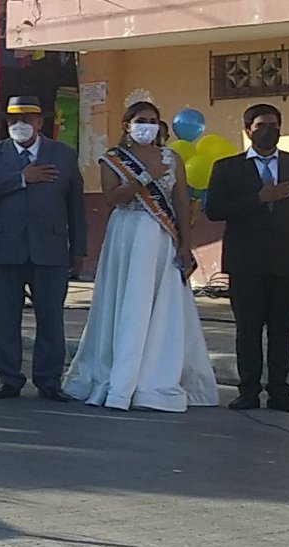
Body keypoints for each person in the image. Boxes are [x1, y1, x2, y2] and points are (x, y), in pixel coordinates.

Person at [65, 102, 218, 412]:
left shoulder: (171, 158)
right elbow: (112, 198)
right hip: (128, 233)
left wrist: (185, 245)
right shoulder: (113, 159)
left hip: (162, 237)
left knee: (160, 303)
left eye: (152, 120)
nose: (147, 126)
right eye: (140, 120)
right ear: (127, 125)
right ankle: (119, 378)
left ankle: (153, 374)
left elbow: (181, 203)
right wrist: (145, 178)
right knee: (129, 300)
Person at [204, 103, 289, 414]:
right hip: (246, 264)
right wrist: (259, 198)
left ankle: (280, 393)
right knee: (248, 331)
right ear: (248, 130)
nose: (268, 131)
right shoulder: (228, 168)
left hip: (288, 262)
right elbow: (214, 209)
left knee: (282, 331)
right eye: (261, 125)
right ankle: (248, 392)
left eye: (274, 125)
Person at [0, 95, 88, 401]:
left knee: (50, 318)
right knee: (5, 318)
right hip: (6, 248)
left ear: (39, 122)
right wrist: (20, 178)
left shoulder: (62, 154)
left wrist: (79, 249)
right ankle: (9, 378)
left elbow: (75, 205)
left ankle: (49, 380)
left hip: (49, 248)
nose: (19, 125)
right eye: (13, 120)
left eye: (25, 119)